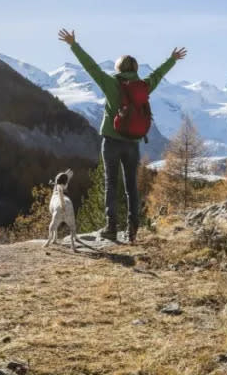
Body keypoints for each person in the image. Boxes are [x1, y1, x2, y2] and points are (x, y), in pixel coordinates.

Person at [57, 28, 186, 244]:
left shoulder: (111, 84)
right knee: (131, 187)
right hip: (133, 143)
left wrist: (74, 45)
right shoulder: (143, 87)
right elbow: (158, 75)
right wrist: (172, 59)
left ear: (118, 68)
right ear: (135, 69)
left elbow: (91, 67)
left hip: (111, 140)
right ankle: (133, 228)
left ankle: (111, 227)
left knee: (111, 184)